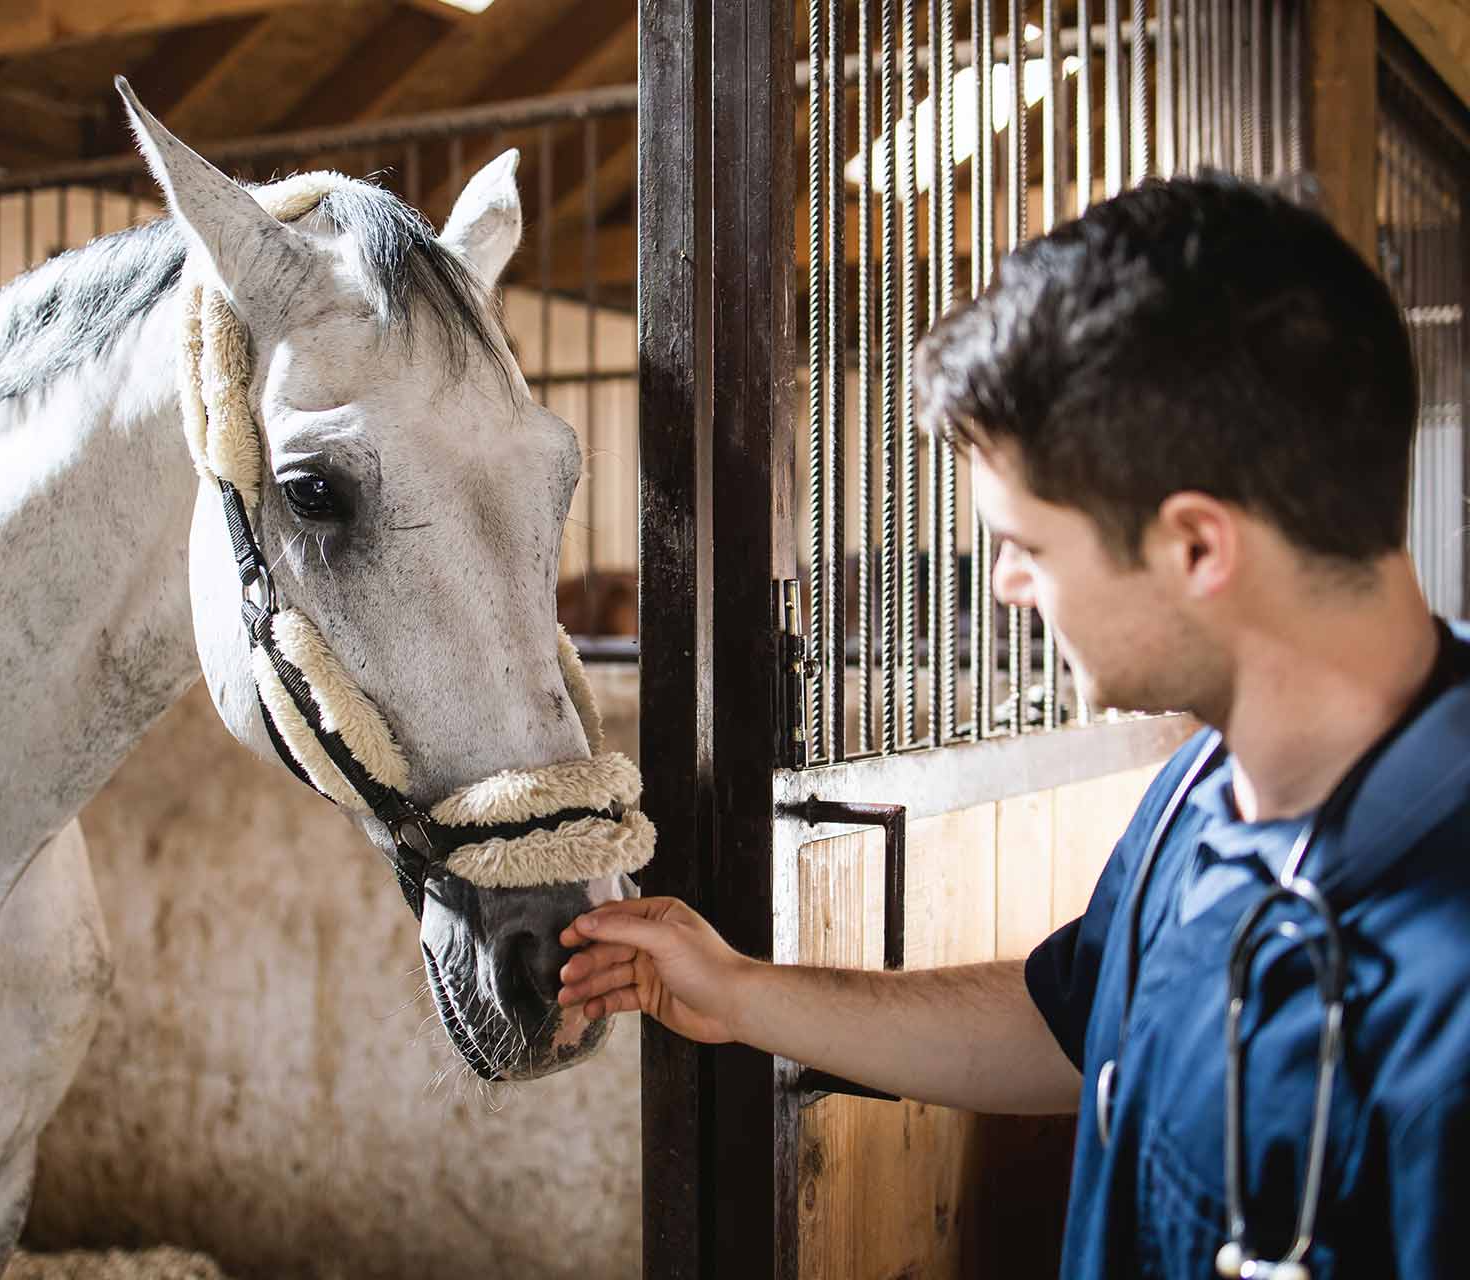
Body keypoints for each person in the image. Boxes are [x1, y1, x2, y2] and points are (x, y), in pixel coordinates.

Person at [559, 174, 1470, 1278]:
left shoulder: (1444, 997)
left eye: (1027, 544)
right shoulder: (1199, 796)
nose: (1002, 585)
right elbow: (1071, 1024)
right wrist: (745, 989)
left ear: (1196, 547)